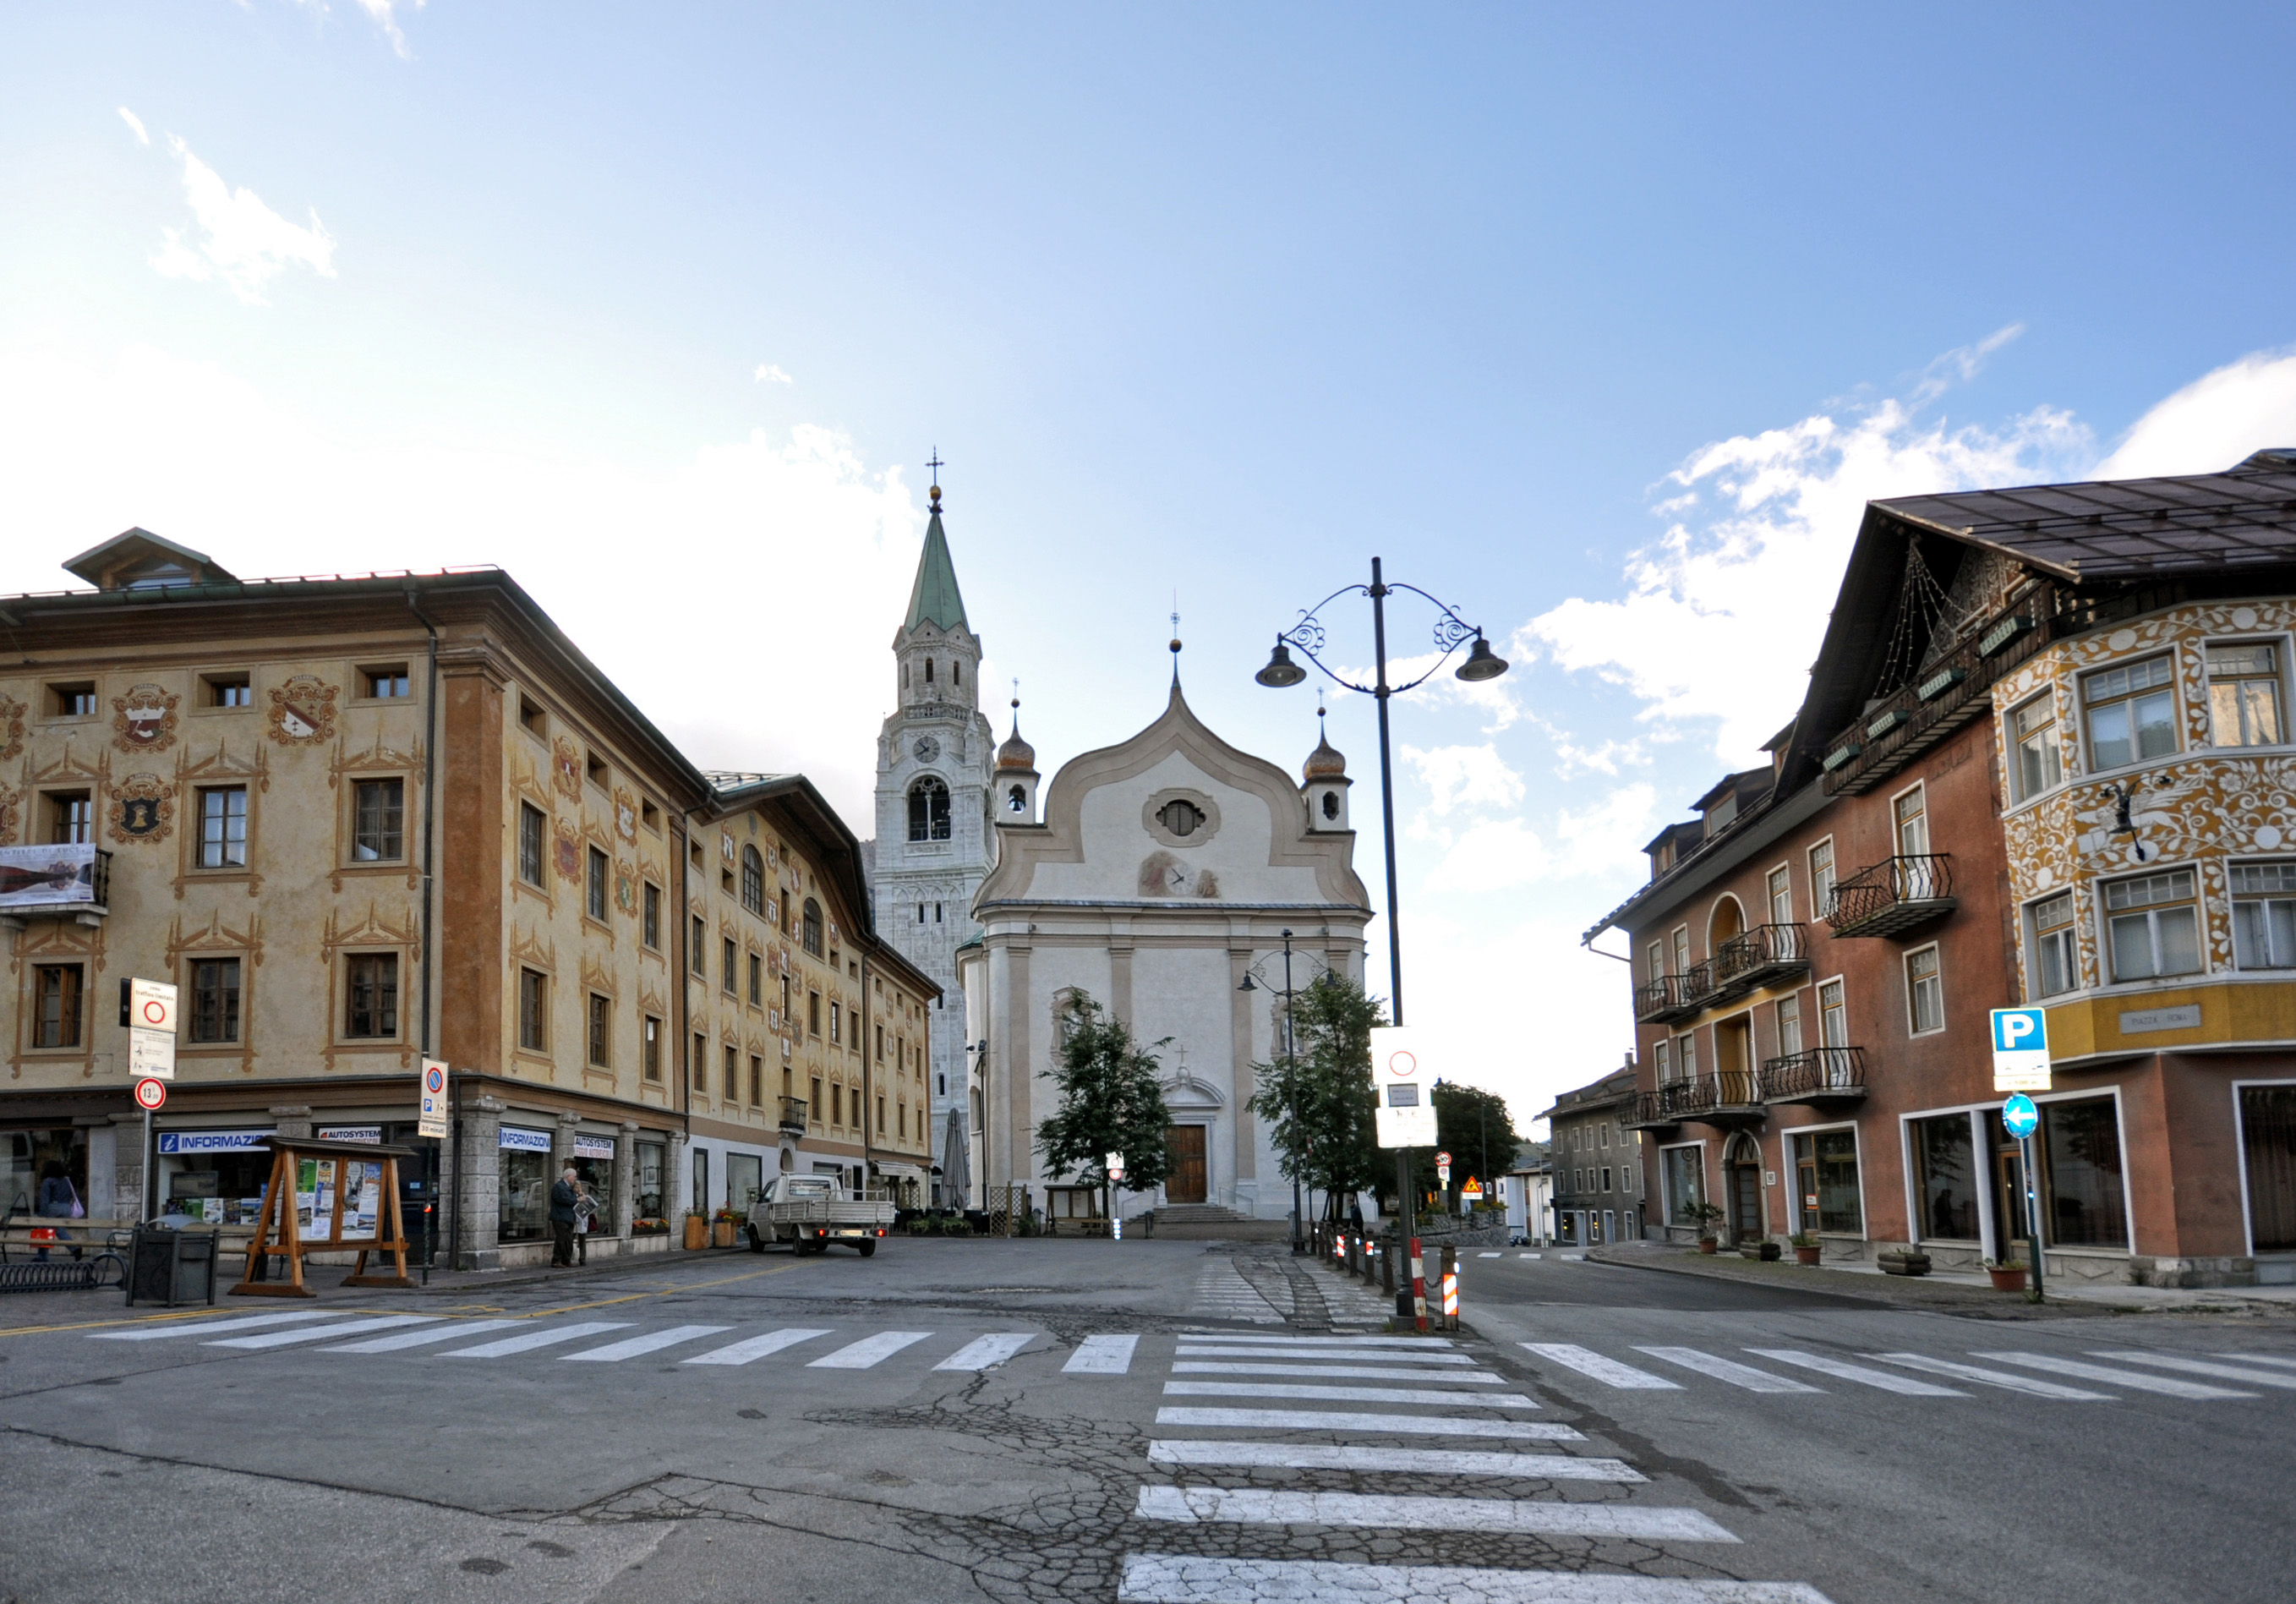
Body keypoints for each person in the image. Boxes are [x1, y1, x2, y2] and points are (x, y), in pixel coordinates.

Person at [35, 1159, 83, 1262]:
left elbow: (44, 1200)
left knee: (44, 1230)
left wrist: (42, 1215)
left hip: (53, 1207)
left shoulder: (48, 1181)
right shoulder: (66, 1180)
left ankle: (42, 1256)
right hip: (66, 1208)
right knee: (60, 1230)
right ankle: (75, 1249)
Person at [549, 1165, 579, 1267]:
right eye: (574, 1176)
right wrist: (577, 1200)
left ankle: (566, 1260)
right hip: (560, 1217)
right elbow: (564, 1200)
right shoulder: (559, 1187)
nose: (575, 1179)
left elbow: (571, 1198)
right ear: (569, 1176)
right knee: (561, 1240)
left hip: (569, 1217)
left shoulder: (569, 1188)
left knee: (568, 1240)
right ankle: (556, 1260)